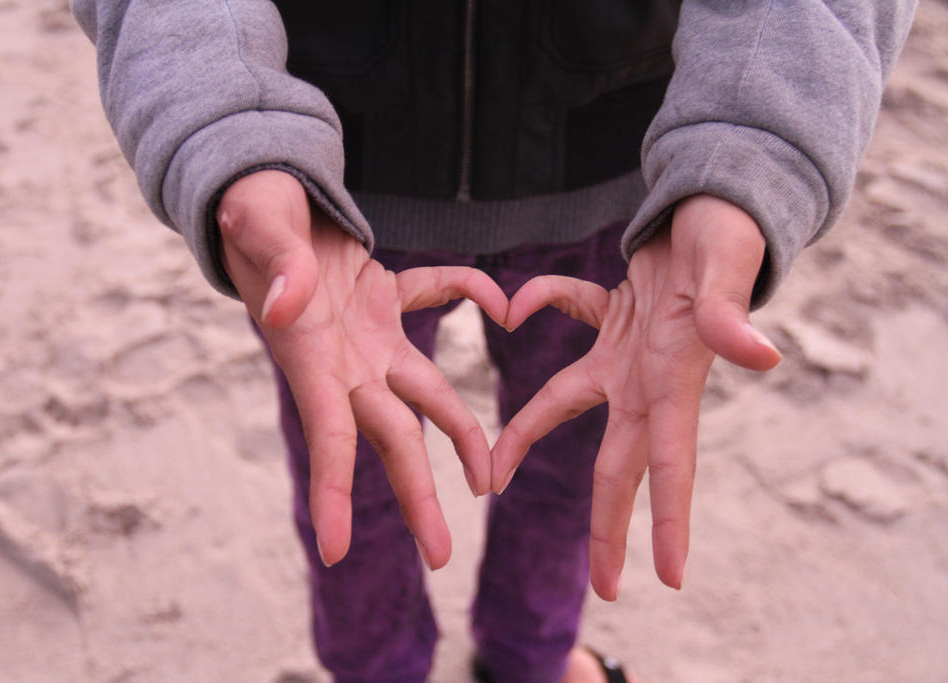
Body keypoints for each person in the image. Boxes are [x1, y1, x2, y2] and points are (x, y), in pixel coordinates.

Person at [72, 2, 916, 681]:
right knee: (352, 470)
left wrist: (753, 147)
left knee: (572, 457)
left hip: (615, 184)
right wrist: (231, 121)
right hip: (326, 193)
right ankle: (377, 672)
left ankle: (531, 658)